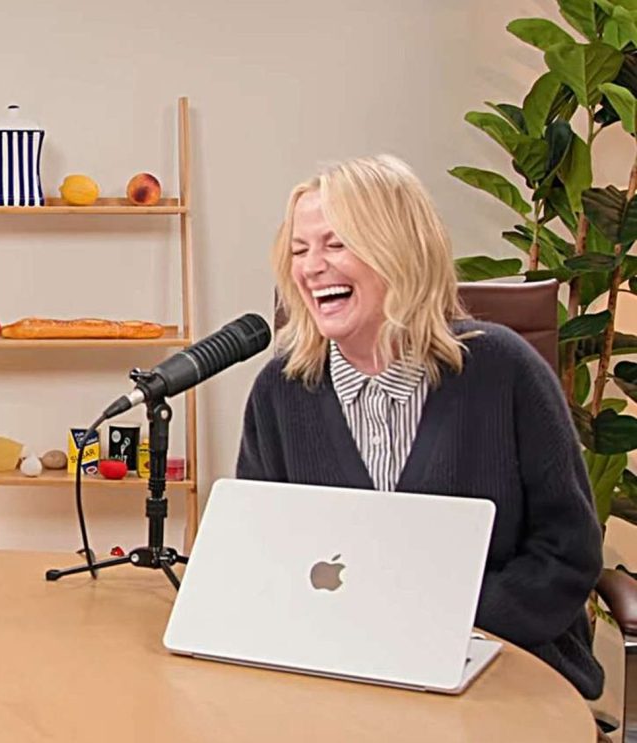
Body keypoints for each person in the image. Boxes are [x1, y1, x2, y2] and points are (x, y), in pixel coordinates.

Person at [236, 155, 604, 699]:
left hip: (503, 662)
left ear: (399, 249)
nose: (312, 267)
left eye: (336, 244)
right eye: (299, 250)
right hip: (339, 668)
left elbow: (568, 551)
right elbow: (262, 554)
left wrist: (444, 630)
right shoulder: (280, 390)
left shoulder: (506, 369)